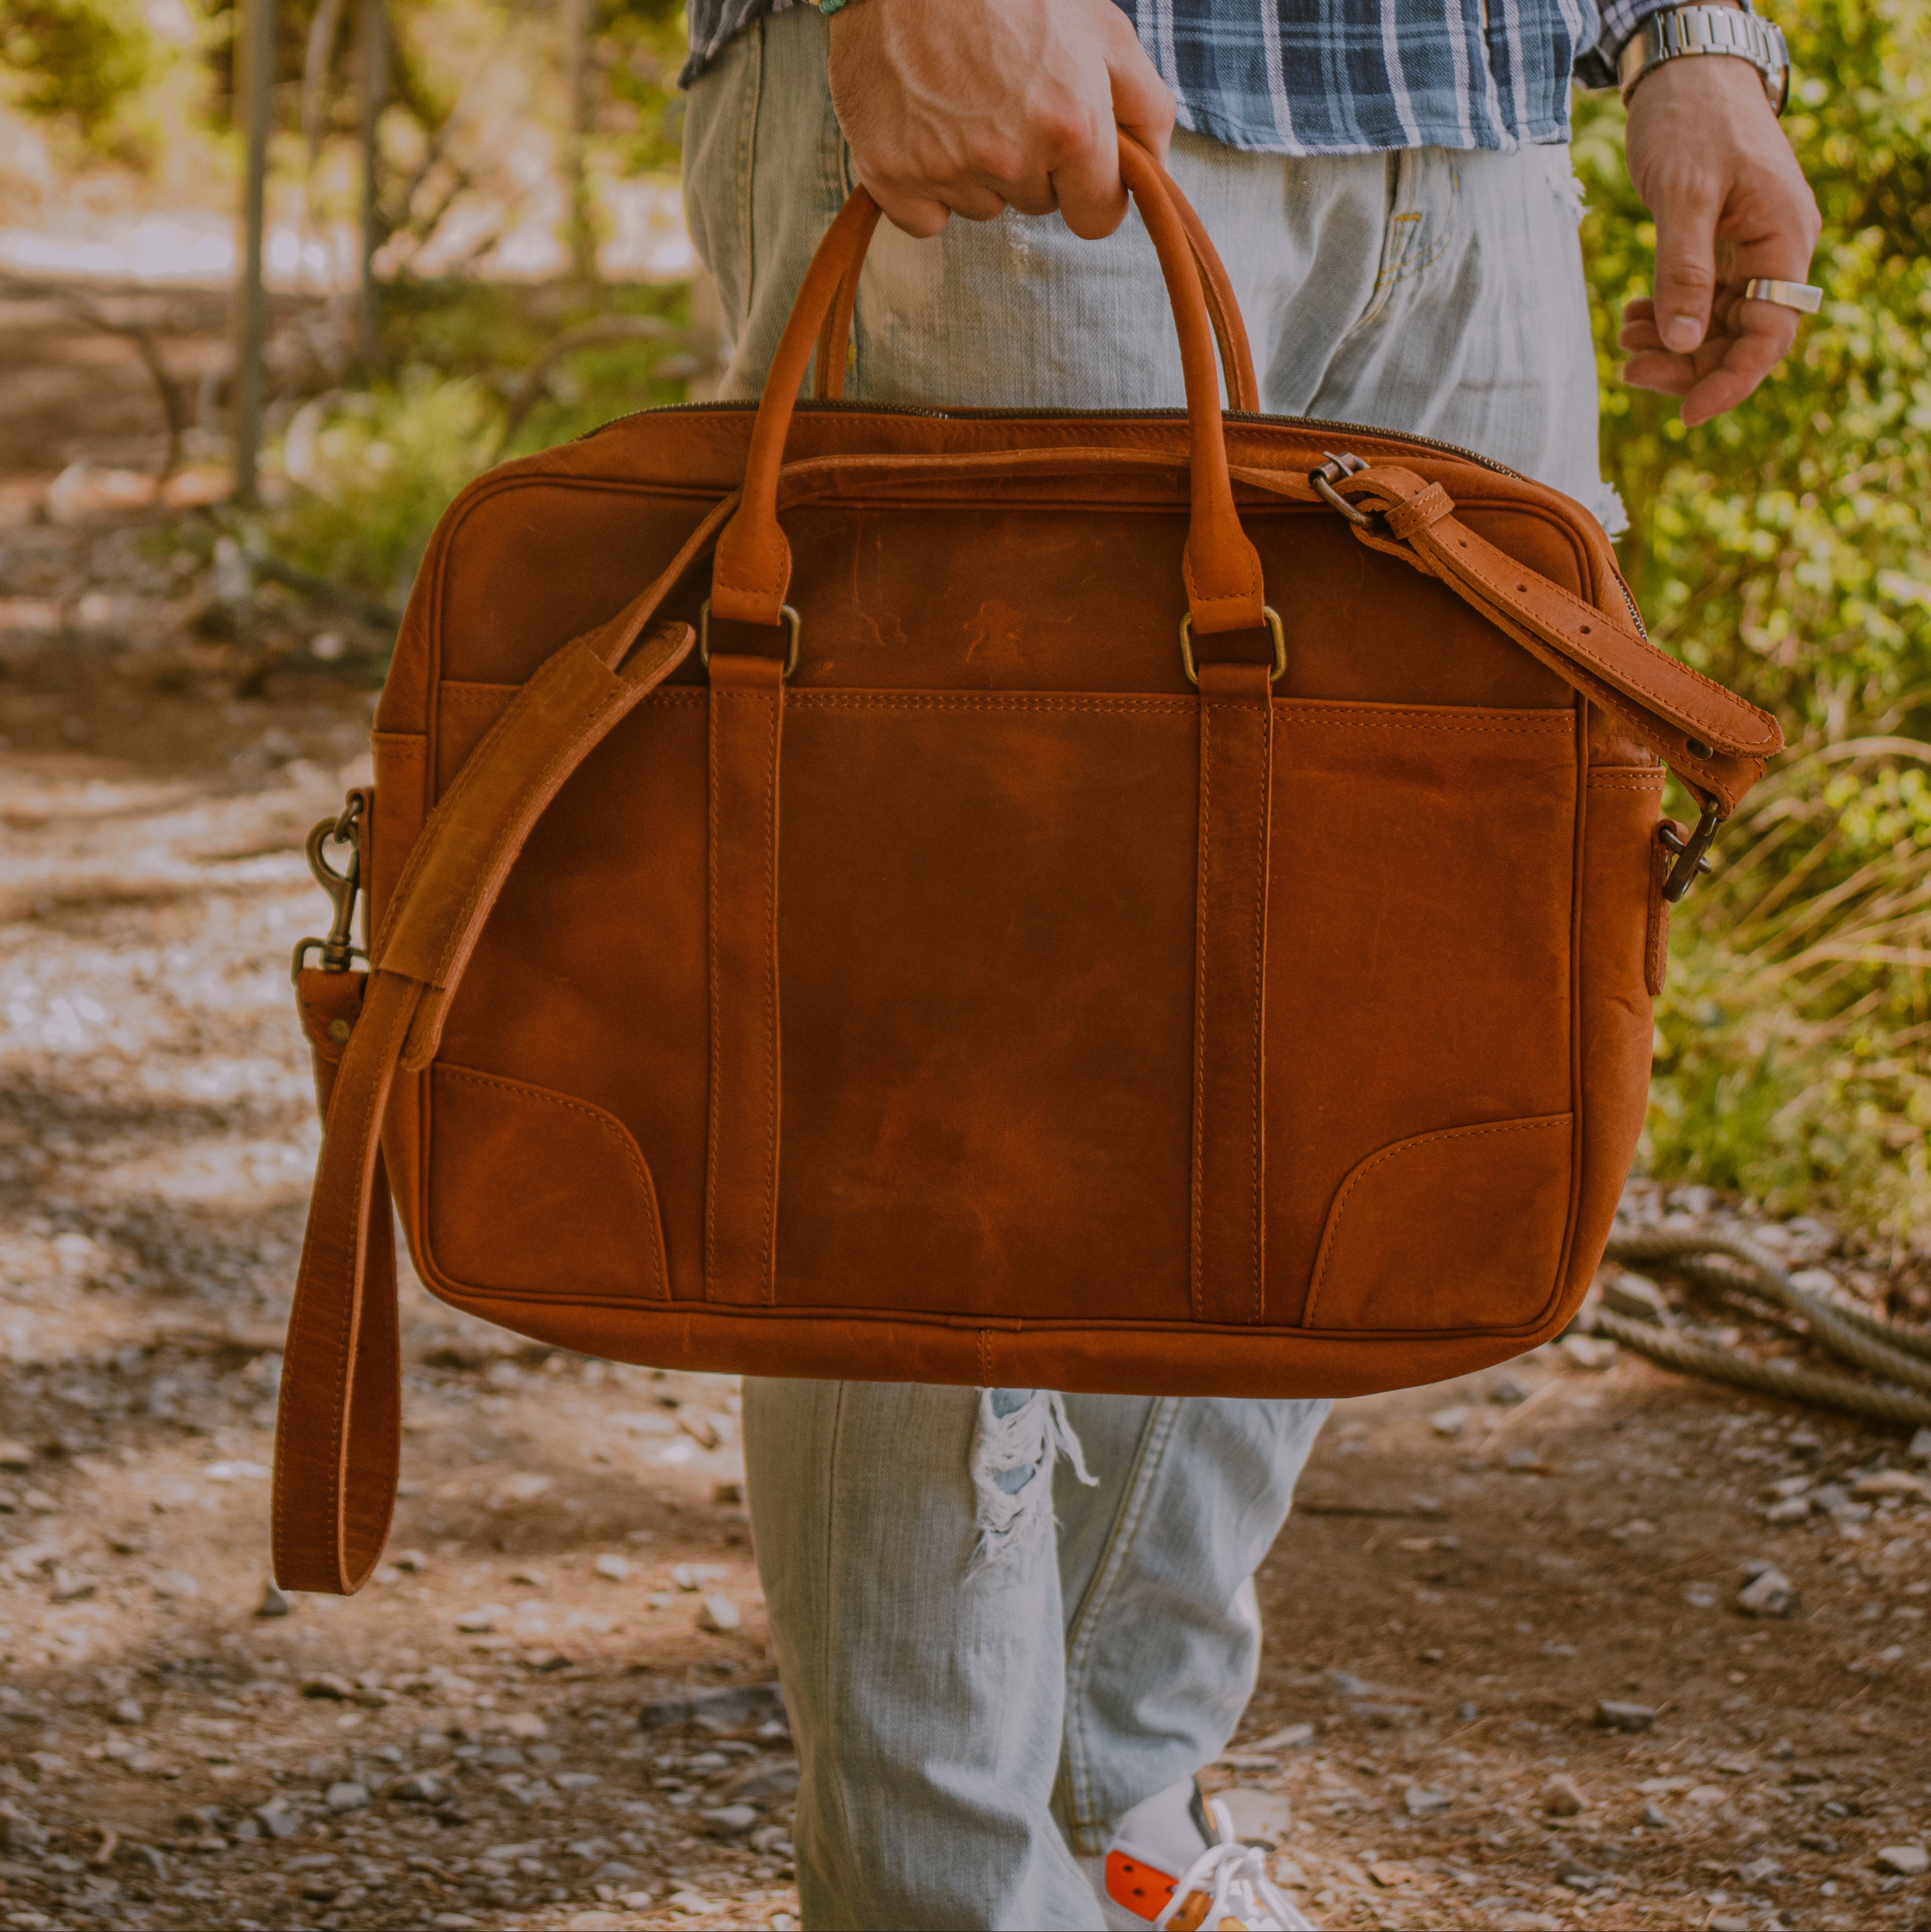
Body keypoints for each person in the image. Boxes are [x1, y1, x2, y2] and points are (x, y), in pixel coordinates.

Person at [674, 1, 1818, 1925]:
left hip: (1470, 117)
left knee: (1351, 1003)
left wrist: (1692, 34)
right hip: (1051, 77)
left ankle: (1120, 1825)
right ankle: (950, 1896)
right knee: (948, 1051)